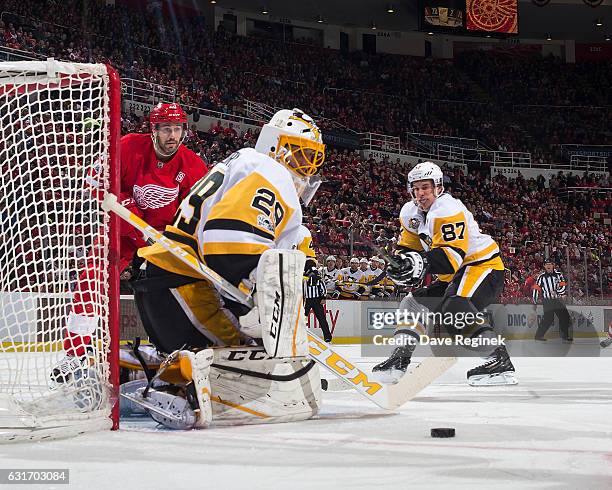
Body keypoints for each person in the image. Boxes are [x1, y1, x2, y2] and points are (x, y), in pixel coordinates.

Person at [124, 108, 327, 429]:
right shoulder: (270, 171)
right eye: (300, 155)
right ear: (276, 145)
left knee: (253, 336)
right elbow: (229, 241)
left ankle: (146, 366)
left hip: (163, 287)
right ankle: (175, 380)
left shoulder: (240, 163)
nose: (305, 167)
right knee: (259, 352)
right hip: (186, 293)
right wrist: (260, 304)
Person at [51, 103, 208, 383]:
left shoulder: (193, 165)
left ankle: (181, 348)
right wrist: (128, 208)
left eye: (177, 129)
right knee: (92, 279)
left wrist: (174, 236)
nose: (172, 135)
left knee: (181, 289)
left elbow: (199, 211)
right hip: (122, 231)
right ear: (154, 130)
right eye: (166, 129)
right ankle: (74, 356)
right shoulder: (128, 146)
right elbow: (93, 182)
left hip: (163, 240)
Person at [373, 161, 517, 386]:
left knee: (455, 307)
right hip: (456, 276)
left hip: (483, 267)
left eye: (426, 188)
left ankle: (499, 362)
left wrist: (417, 262)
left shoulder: (448, 209)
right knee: (411, 304)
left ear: (438, 187)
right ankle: (399, 360)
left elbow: (451, 260)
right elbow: (409, 248)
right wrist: (400, 262)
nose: (421, 194)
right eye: (416, 188)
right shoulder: (410, 213)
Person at [298, 226, 332, 342]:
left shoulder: (313, 270)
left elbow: (321, 283)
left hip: (316, 299)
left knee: (321, 318)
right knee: (302, 318)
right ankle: (301, 336)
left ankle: (328, 337)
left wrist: (323, 297)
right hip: (307, 299)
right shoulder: (303, 272)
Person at [533, 259, 572, 342]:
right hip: (547, 301)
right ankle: (538, 336)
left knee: (565, 317)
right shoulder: (541, 277)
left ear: (553, 265)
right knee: (548, 318)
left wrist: (557, 292)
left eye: (550, 264)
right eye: (546, 264)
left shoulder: (559, 275)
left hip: (557, 300)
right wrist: (535, 301)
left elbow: (563, 286)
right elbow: (536, 289)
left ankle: (565, 335)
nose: (548, 266)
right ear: (544, 266)